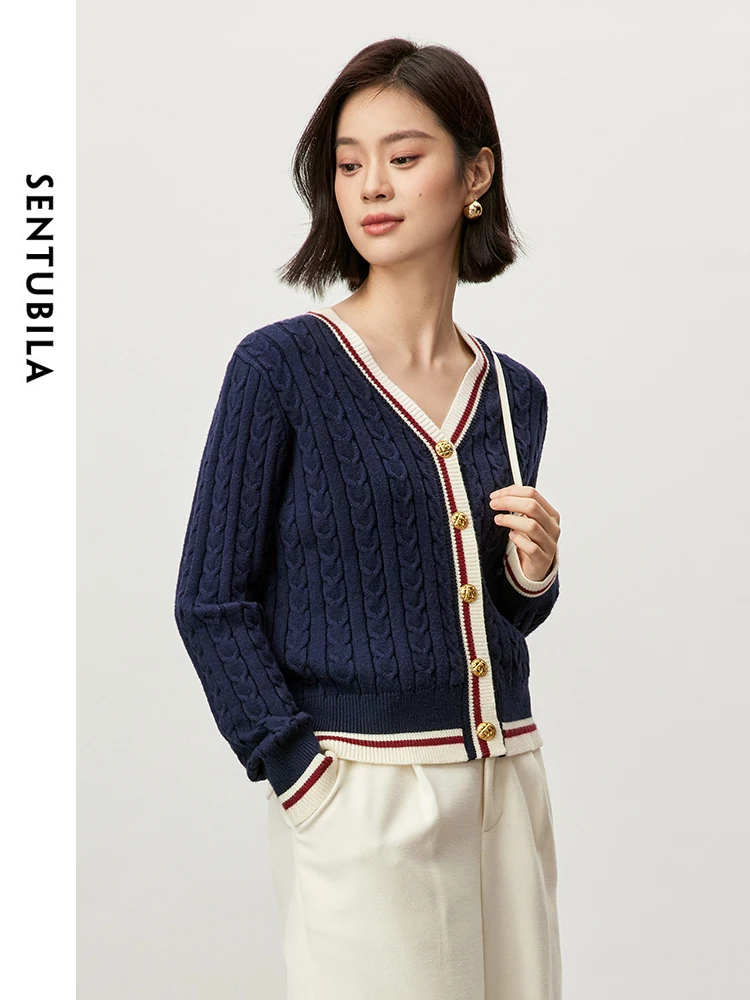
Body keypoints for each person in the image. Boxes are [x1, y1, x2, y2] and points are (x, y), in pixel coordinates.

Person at [174, 36, 563, 1000]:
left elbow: (487, 612)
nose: (372, 187)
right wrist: (302, 777)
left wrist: (531, 575)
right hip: (362, 794)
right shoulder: (281, 369)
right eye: (349, 165)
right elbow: (210, 600)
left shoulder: (512, 393)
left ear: (476, 174)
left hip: (506, 780)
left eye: (404, 156)